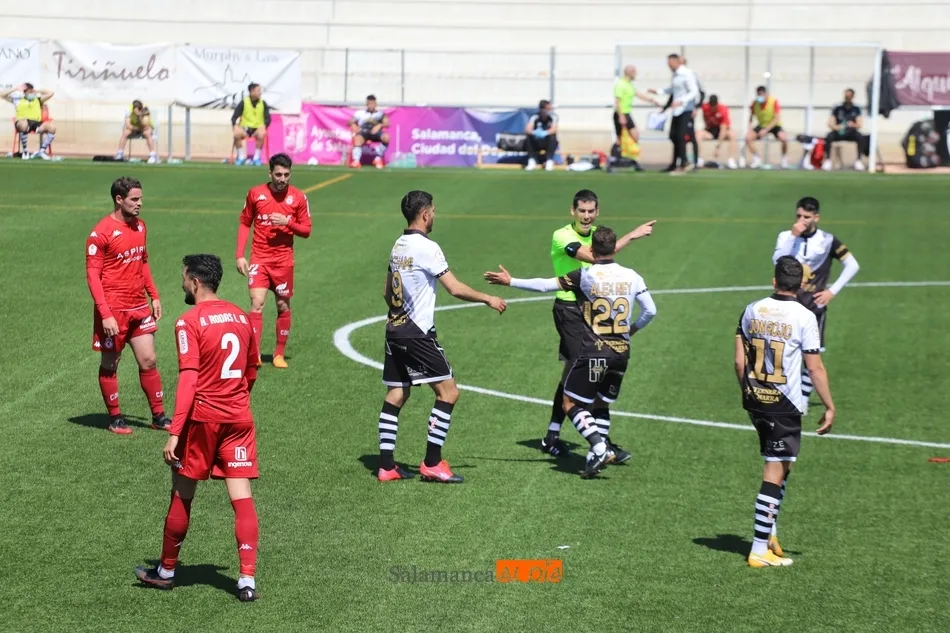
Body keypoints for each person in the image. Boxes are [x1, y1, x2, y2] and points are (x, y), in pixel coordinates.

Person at [134, 254, 261, 601]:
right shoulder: (241, 316)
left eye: (183, 277)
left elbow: (189, 379)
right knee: (242, 497)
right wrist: (237, 398)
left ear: (194, 281)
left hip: (203, 421)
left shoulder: (188, 321)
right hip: (239, 418)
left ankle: (167, 570)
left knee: (182, 491)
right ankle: (247, 580)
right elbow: (252, 369)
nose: (181, 283)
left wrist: (175, 432)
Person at [485, 226, 657, 478]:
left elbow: (546, 285)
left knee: (570, 403)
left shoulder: (584, 275)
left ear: (591, 250)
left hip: (594, 351)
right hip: (621, 353)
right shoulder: (633, 276)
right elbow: (650, 311)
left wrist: (511, 281)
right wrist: (631, 331)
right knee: (600, 403)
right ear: (613, 248)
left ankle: (599, 447)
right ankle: (596, 453)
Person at [376, 191, 507, 483]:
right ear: (425, 214)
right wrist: (487, 298)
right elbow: (454, 288)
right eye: (433, 211)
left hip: (394, 327)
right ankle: (432, 462)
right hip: (416, 333)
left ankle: (386, 466)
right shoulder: (428, 247)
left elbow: (387, 292)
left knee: (397, 394)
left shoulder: (398, 245)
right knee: (448, 393)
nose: (434, 215)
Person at [533, 190, 655, 463]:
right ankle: (594, 443)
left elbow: (603, 254)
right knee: (581, 368)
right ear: (572, 212)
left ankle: (567, 437)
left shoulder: (599, 233)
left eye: (591, 211)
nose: (586, 216)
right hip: (569, 310)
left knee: (576, 372)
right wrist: (632, 236)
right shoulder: (562, 236)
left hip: (591, 311)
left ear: (597, 212)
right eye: (582, 211)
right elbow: (594, 257)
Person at [735, 256, 836, 568]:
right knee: (775, 471)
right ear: (802, 284)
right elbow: (814, 367)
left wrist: (748, 391)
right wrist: (830, 405)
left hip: (755, 399)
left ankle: (770, 532)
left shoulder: (752, 309)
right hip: (784, 405)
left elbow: (740, 362)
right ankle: (758, 549)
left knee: (783, 464)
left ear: (774, 281)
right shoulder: (805, 317)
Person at [85, 177, 170, 434]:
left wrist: (153, 295)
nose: (140, 204)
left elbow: (142, 263)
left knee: (149, 360)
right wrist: (106, 314)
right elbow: (92, 277)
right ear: (119, 200)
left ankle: (159, 416)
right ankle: (115, 418)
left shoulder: (140, 227)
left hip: (138, 307)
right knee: (111, 362)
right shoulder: (100, 234)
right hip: (113, 310)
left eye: (141, 198)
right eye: (135, 199)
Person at [771, 197, 859, 411]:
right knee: (784, 352)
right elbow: (777, 261)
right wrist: (793, 236)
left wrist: (832, 291)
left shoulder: (828, 240)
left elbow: (852, 265)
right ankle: (784, 393)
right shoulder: (786, 237)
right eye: (799, 216)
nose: (802, 220)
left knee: (811, 354)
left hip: (813, 308)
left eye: (807, 217)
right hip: (787, 305)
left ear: (816, 217)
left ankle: (802, 397)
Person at [235, 153, 311, 369]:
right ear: (270, 173)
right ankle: (255, 355)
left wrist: (289, 223)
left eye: (286, 174)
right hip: (259, 258)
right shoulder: (256, 194)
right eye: (278, 174)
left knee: (282, 305)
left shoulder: (298, 198)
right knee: (257, 303)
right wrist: (239, 255)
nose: (282, 179)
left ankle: (278, 354)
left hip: (283, 261)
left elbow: (306, 231)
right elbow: (244, 223)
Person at [648, 54, 700, 173]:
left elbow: (694, 92)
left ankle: (683, 163)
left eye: (670, 62)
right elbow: (673, 89)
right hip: (676, 110)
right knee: (673, 135)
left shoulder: (687, 73)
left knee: (681, 136)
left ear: (676, 62)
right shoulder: (675, 74)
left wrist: (681, 101)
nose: (668, 65)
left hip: (685, 109)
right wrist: (658, 91)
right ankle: (675, 163)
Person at [612, 65, 655, 171]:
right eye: (634, 72)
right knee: (620, 139)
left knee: (635, 136)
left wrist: (651, 100)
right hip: (621, 114)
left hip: (627, 113)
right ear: (629, 72)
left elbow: (637, 94)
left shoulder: (629, 84)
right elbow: (617, 101)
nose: (636, 74)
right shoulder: (620, 84)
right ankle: (612, 161)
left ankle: (633, 160)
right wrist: (621, 116)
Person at [2, 82, 55, 159]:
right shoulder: (18, 100)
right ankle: (25, 151)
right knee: (23, 124)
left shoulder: (38, 100)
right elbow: (2, 95)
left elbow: (51, 93)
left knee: (52, 127)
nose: (31, 93)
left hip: (36, 123)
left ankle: (41, 152)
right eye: (29, 92)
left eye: (32, 92)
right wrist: (15, 89)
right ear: (25, 92)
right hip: (22, 122)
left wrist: (37, 91)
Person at [744, 85, 789, 169]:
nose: (760, 96)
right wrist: (749, 128)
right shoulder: (754, 103)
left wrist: (765, 130)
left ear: (766, 94)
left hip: (774, 125)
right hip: (762, 125)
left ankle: (784, 159)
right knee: (748, 138)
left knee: (784, 138)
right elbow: (751, 117)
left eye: (761, 94)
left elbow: (776, 119)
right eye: (758, 94)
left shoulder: (774, 101)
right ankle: (757, 158)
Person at [823, 88, 865, 171]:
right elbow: (830, 123)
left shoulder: (856, 109)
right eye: (846, 95)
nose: (847, 97)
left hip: (850, 132)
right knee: (829, 136)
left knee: (860, 137)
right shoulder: (838, 108)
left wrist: (853, 125)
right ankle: (827, 160)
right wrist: (837, 127)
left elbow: (859, 124)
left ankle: (858, 160)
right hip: (839, 132)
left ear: (852, 97)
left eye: (849, 96)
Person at [231, 83, 271, 166]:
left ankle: (256, 158)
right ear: (252, 91)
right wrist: (235, 126)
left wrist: (264, 126)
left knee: (261, 134)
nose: (260, 92)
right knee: (236, 134)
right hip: (245, 129)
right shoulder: (243, 102)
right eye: (258, 90)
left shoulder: (263, 103)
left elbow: (268, 118)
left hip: (257, 129)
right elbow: (234, 117)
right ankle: (241, 157)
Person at [349, 94, 389, 169]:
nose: (371, 106)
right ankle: (356, 161)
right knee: (357, 138)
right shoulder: (360, 113)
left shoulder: (380, 114)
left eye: (372, 103)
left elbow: (387, 123)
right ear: (366, 104)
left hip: (375, 133)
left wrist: (380, 125)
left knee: (386, 137)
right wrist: (354, 126)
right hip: (363, 133)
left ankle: (377, 159)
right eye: (369, 104)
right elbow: (350, 121)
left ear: (375, 104)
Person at [699, 95, 738, 169]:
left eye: (714, 105)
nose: (712, 107)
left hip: (721, 130)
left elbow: (723, 130)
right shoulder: (705, 107)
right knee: (698, 134)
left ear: (717, 104)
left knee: (732, 134)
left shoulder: (723, 109)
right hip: (710, 130)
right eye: (711, 105)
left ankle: (731, 160)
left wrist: (717, 148)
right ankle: (698, 159)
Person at [524, 99, 558, 171]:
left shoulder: (553, 117)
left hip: (547, 141)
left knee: (553, 138)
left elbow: (554, 129)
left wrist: (545, 133)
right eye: (547, 109)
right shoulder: (535, 117)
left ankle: (549, 161)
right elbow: (528, 129)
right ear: (542, 109)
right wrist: (534, 133)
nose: (549, 110)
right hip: (536, 141)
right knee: (528, 138)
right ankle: (532, 161)